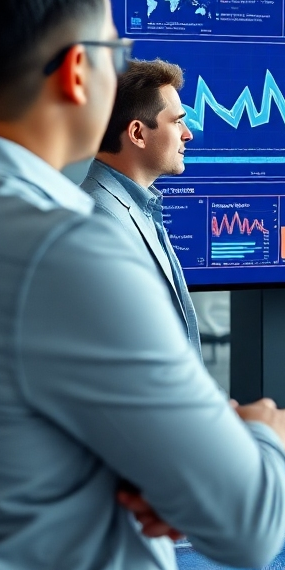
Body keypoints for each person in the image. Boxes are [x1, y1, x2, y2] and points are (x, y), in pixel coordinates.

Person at [0, 0, 285, 570]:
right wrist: (254, 438)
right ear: (76, 71)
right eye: (113, 48)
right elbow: (250, 522)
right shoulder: (64, 251)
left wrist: (169, 472)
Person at [82, 58, 201, 357]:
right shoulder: (103, 220)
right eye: (177, 121)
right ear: (137, 133)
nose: (188, 134)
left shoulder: (133, 206)